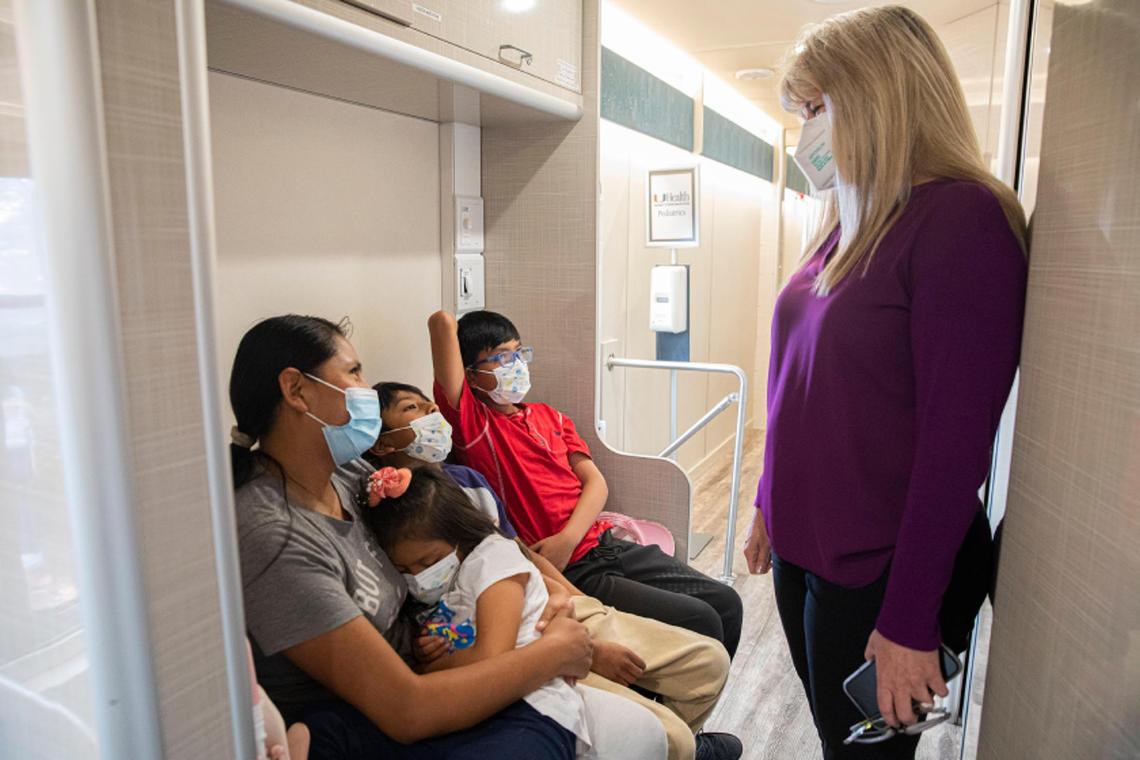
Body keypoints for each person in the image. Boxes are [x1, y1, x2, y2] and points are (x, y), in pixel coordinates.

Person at [742, 6, 1028, 759]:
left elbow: (953, 445)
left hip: (880, 578)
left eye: (814, 107)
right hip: (808, 556)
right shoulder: (849, 224)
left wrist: (909, 621)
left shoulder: (963, 221)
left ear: (876, 95)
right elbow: (794, 385)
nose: (805, 129)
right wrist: (769, 503)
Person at [230, 314, 594, 760]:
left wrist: (551, 591)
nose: (367, 388)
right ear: (297, 390)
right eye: (354, 372)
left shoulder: (348, 474)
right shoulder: (274, 535)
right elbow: (406, 710)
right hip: (386, 711)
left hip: (451, 651)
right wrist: (553, 654)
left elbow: (477, 536)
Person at [366, 381, 739, 760]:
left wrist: (573, 599)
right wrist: (586, 649)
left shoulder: (468, 484)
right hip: (528, 638)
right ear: (379, 442)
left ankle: (686, 746)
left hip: (551, 599)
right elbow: (490, 646)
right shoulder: (384, 518)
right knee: (670, 730)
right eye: (413, 408)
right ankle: (682, 747)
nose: (432, 415)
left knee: (711, 653)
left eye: (432, 407)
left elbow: (520, 552)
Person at [427, 309, 744, 665]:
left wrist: (568, 538)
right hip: (574, 569)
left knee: (726, 604)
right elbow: (441, 323)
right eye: (500, 358)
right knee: (701, 619)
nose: (514, 364)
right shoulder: (477, 427)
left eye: (518, 353)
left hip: (600, 543)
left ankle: (697, 708)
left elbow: (595, 482)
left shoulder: (551, 416)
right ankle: (671, 702)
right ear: (470, 374)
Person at [362, 465, 667, 759]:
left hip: (532, 698)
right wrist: (429, 646)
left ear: (458, 535)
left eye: (429, 562)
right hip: (481, 698)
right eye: (404, 570)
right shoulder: (444, 589)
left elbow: (492, 658)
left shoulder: (492, 560)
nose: (418, 577)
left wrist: (431, 669)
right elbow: (457, 638)